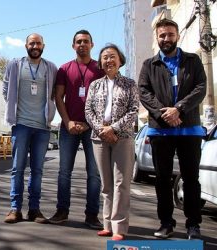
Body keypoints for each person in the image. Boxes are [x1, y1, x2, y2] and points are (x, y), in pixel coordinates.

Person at [138, 18, 206, 240]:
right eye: (162, 35)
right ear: (157, 38)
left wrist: (179, 109)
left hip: (189, 130)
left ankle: (193, 225)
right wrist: (164, 113)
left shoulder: (193, 60)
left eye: (169, 34)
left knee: (191, 179)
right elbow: (144, 92)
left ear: (177, 35)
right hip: (160, 131)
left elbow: (200, 88)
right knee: (162, 180)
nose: (166, 39)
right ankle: (166, 223)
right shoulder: (149, 64)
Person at [49, 30, 104, 229]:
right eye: (78, 42)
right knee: (64, 172)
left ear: (92, 44)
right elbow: (58, 97)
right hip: (68, 128)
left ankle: (92, 215)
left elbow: (105, 100)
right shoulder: (64, 69)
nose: (82, 44)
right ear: (73, 45)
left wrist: (91, 123)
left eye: (86, 41)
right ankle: (62, 211)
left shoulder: (100, 69)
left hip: (93, 128)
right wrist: (68, 121)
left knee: (94, 174)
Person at [85, 43, 139, 241]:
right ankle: (107, 224)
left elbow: (134, 109)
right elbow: (88, 111)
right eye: (105, 57)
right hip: (99, 138)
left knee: (121, 184)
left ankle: (119, 228)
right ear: (100, 62)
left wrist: (113, 128)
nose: (109, 60)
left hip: (122, 138)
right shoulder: (95, 85)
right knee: (106, 185)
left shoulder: (129, 83)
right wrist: (101, 129)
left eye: (112, 56)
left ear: (120, 60)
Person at [2, 33, 58, 224]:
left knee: (37, 170)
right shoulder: (15, 65)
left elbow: (56, 94)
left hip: (42, 127)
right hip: (21, 125)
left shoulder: (51, 68)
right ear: (26, 45)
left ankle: (34, 210)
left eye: (38, 43)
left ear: (44, 45)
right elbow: (5, 89)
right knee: (17, 169)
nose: (35, 46)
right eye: (32, 43)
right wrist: (13, 109)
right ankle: (15, 209)